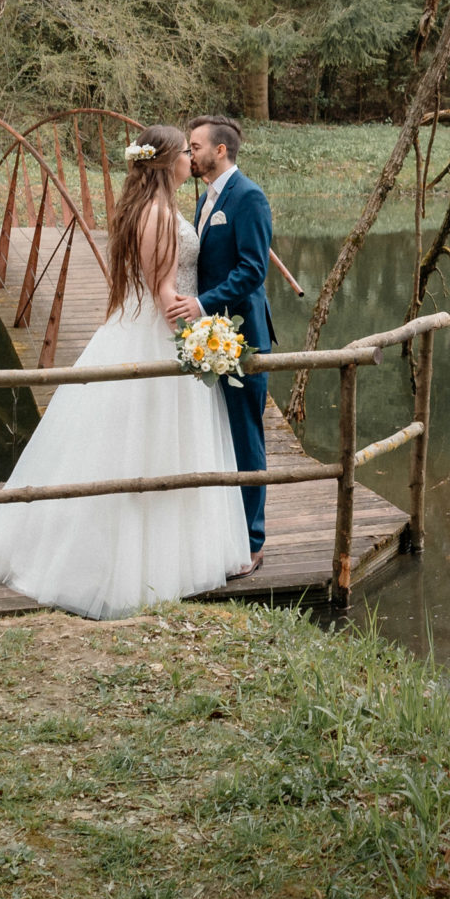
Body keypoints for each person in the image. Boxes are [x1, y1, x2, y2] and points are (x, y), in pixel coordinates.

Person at [0, 124, 250, 615]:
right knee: (157, 446)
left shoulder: (148, 209)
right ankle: (143, 566)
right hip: (162, 338)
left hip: (137, 327)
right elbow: (165, 294)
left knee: (144, 446)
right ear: (166, 162)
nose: (191, 158)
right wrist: (205, 335)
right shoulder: (161, 215)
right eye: (185, 153)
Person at [167, 113, 274, 573]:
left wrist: (202, 302)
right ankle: (224, 532)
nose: (190, 153)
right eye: (189, 147)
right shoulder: (207, 198)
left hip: (243, 336)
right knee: (220, 437)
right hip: (211, 337)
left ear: (220, 151)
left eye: (195, 146)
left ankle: (253, 542)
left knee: (247, 437)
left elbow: (253, 269)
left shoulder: (248, 197)